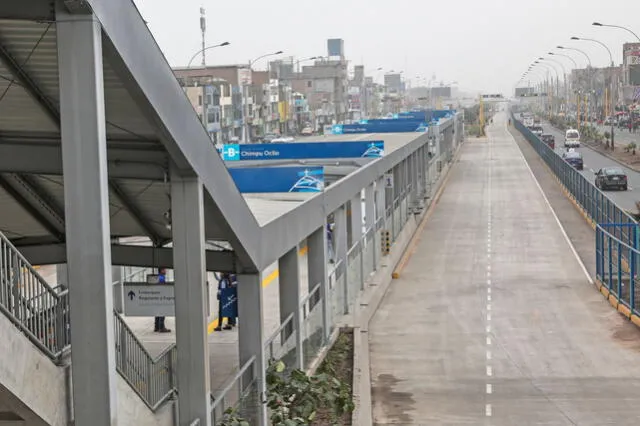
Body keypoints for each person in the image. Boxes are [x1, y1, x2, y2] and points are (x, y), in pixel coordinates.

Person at [154, 267, 171, 333]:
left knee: (157, 311)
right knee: (162, 311)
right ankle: (161, 327)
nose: (165, 270)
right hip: (161, 297)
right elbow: (162, 288)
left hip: (157, 297)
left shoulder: (158, 277)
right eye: (164, 269)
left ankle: (156, 327)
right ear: (161, 270)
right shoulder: (161, 278)